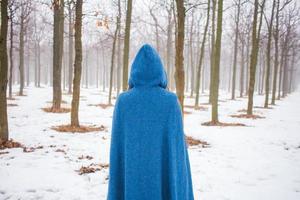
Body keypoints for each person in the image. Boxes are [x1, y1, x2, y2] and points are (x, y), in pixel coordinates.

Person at [107, 44, 194, 200]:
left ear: (134, 71)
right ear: (160, 72)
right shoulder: (171, 101)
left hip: (132, 176)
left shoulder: (123, 101)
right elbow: (178, 156)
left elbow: (117, 152)